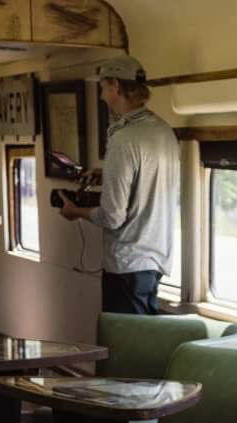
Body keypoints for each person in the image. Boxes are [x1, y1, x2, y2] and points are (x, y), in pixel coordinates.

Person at [58, 54, 176, 314]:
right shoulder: (163, 131)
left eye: (103, 86)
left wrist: (73, 212)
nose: (101, 95)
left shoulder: (123, 139)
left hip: (126, 264)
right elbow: (147, 177)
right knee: (143, 343)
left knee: (124, 350)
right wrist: (108, 172)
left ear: (116, 86)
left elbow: (112, 217)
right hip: (155, 260)